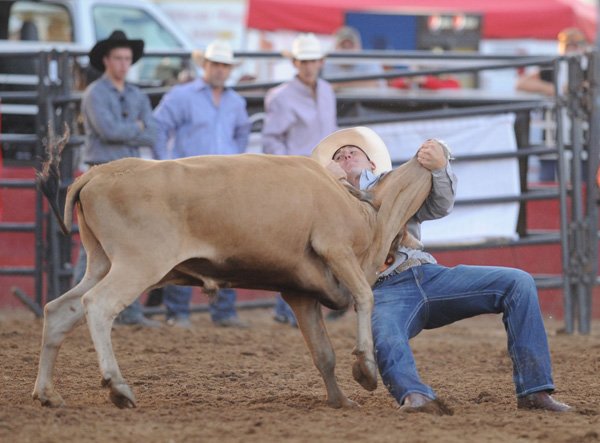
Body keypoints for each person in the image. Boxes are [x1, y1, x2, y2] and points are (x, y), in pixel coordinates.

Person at [310, 126, 572, 415]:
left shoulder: (395, 183)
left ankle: (535, 391)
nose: (347, 156)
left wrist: (439, 168)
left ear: (372, 163)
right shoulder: (326, 207)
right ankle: (414, 395)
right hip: (381, 289)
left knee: (518, 282)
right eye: (340, 156)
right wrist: (332, 185)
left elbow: (439, 205)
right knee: (384, 332)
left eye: (353, 152)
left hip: (427, 273)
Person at [153, 39, 251, 329]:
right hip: (190, 182)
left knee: (228, 247)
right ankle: (178, 311)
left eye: (224, 65)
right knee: (182, 248)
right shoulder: (183, 96)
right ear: (205, 66)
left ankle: (222, 311)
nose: (220, 70)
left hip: (226, 184)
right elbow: (158, 127)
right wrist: (165, 166)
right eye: (216, 64)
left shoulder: (236, 102)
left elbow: (243, 132)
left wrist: (235, 160)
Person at [75, 30, 159, 327]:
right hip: (102, 178)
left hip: (128, 177)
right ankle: (81, 305)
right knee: (97, 244)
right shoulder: (96, 93)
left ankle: (115, 309)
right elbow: (110, 131)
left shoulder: (133, 94)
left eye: (127, 58)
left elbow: (151, 130)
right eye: (118, 58)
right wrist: (136, 127)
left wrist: (134, 129)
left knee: (122, 243)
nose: (124, 64)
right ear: (106, 61)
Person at [262, 33, 337, 325]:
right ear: (295, 63)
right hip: (295, 179)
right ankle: (287, 309)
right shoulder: (281, 96)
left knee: (313, 244)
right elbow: (272, 140)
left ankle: (301, 309)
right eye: (303, 61)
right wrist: (289, 171)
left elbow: (330, 133)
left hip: (323, 176)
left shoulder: (327, 91)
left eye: (313, 61)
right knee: (294, 246)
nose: (308, 66)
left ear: (320, 62)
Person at [516, 27, 588, 96]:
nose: (572, 49)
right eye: (568, 46)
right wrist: (554, 89)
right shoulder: (555, 66)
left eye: (575, 45)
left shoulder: (590, 66)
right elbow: (521, 83)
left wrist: (580, 87)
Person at [321, 26, 385, 91]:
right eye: (343, 46)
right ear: (335, 47)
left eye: (351, 46)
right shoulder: (326, 63)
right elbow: (319, 88)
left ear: (359, 47)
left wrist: (338, 85)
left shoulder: (369, 61)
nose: (347, 51)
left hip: (367, 101)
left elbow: (373, 85)